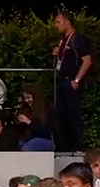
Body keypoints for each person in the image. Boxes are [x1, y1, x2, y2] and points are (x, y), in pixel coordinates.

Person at [53, 12, 93, 152]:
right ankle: (64, 147)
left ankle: (76, 148)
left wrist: (77, 79)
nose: (56, 26)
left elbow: (87, 61)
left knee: (73, 116)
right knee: (61, 116)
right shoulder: (63, 41)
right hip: (62, 81)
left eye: (58, 22)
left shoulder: (78, 40)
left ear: (67, 22)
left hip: (71, 81)